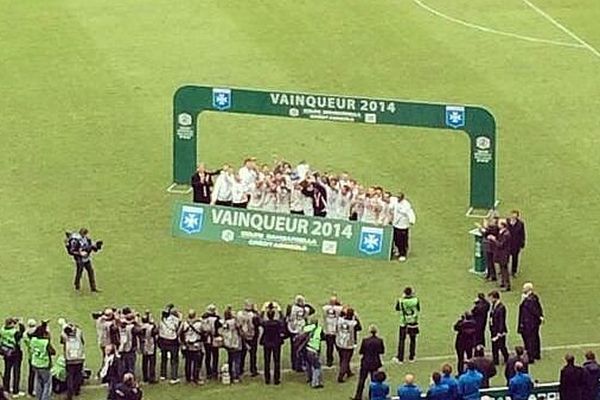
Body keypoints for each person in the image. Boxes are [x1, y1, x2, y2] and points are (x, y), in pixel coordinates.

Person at [351, 324, 384, 400]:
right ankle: (372, 396)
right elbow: (382, 351)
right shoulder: (379, 341)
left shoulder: (365, 341)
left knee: (362, 380)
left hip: (366, 362)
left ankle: (358, 396)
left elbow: (361, 351)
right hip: (375, 362)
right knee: (374, 381)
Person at [68, 228, 102, 292]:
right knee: (79, 273)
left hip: (87, 259)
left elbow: (91, 247)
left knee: (91, 272)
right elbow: (72, 251)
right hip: (80, 260)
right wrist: (80, 253)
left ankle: (93, 288)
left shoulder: (87, 239)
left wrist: (97, 247)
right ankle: (77, 285)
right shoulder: (76, 241)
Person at [518, 282, 544, 363]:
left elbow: (534, 309)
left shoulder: (530, 299)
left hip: (529, 323)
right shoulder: (533, 297)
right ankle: (536, 353)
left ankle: (531, 355)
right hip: (531, 322)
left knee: (530, 339)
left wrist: (524, 300)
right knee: (534, 338)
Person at [286, 295, 313, 372]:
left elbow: (287, 316)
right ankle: (300, 365)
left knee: (294, 348)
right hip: (301, 330)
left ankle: (294, 364)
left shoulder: (291, 308)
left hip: (292, 329)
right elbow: (312, 310)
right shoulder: (305, 309)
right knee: (301, 348)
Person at [393, 287, 420, 364]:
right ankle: (412, 356)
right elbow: (418, 308)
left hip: (403, 322)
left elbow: (397, 308)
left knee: (401, 340)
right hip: (413, 322)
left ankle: (400, 358)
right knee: (413, 339)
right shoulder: (416, 300)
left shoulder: (401, 301)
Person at [30, 322, 55, 400]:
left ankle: (38, 397)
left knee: (38, 382)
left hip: (35, 364)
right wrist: (49, 339)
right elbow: (53, 352)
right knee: (47, 384)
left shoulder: (33, 340)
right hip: (44, 365)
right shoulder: (45, 343)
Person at [336, 307, 362, 383]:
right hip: (348, 344)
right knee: (346, 360)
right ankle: (341, 375)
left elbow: (340, 315)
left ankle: (348, 371)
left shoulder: (340, 320)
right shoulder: (353, 323)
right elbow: (360, 328)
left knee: (342, 358)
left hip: (340, 342)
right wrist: (356, 317)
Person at [0, 317, 25, 397]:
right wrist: (21, 323)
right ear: (11, 324)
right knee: (16, 372)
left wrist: (15, 321)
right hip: (15, 353)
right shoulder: (15, 333)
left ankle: (6, 388)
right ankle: (15, 391)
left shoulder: (2, 329)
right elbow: (22, 333)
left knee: (7, 371)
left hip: (6, 352)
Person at [260, 307, 285, 385]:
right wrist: (280, 310)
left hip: (267, 343)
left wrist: (262, 311)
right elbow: (283, 319)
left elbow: (259, 319)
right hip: (276, 343)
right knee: (277, 361)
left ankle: (267, 380)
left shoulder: (265, 323)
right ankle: (276, 380)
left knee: (267, 361)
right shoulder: (277, 323)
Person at [61, 322, 85, 400]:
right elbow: (82, 340)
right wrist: (74, 326)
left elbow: (62, 339)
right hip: (79, 358)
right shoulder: (78, 333)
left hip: (70, 359)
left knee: (70, 377)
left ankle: (70, 393)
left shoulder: (65, 337)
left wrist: (64, 326)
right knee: (78, 375)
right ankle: (77, 390)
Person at [179, 310, 204, 384]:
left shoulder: (184, 324)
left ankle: (188, 378)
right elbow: (204, 331)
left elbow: (180, 333)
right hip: (196, 345)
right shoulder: (199, 324)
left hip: (187, 345)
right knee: (196, 363)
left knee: (188, 362)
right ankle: (196, 378)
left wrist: (183, 343)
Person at [158, 304, 181, 384]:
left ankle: (163, 375)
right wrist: (179, 316)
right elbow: (177, 326)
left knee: (164, 358)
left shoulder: (162, 320)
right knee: (174, 359)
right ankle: (174, 377)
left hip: (163, 340)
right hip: (172, 341)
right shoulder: (174, 319)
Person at [237, 300, 261, 377]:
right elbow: (258, 323)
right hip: (252, 336)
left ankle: (240, 369)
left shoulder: (239, 314)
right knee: (253, 354)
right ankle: (253, 370)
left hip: (243, 336)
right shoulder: (253, 315)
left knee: (242, 354)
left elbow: (238, 325)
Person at [390, 193, 416, 262]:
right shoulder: (394, 201)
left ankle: (403, 254)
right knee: (396, 239)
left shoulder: (406, 205)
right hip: (395, 224)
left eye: (399, 197)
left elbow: (410, 213)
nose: (398, 199)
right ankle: (398, 250)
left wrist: (412, 221)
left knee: (403, 241)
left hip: (403, 226)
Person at [220, 307, 243, 383]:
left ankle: (230, 375)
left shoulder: (225, 323)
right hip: (235, 342)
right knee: (237, 360)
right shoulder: (234, 322)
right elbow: (240, 328)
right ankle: (236, 376)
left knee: (230, 359)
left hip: (228, 343)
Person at [488, 220, 512, 291]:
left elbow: (500, 244)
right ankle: (503, 283)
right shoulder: (502, 232)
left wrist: (494, 239)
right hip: (501, 254)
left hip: (503, 255)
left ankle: (507, 285)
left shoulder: (506, 234)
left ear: (502, 225)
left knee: (505, 270)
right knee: (502, 269)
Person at [201, 304, 221, 380]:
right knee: (215, 356)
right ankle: (214, 372)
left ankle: (208, 372)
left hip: (206, 340)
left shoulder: (203, 318)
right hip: (214, 339)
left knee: (208, 356)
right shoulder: (216, 319)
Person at [488, 290, 509, 365]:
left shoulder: (501, 307)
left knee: (501, 346)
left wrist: (500, 332)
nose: (490, 300)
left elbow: (501, 321)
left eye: (491, 298)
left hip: (499, 331)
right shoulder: (494, 306)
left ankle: (507, 358)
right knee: (494, 346)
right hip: (493, 329)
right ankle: (495, 360)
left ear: (495, 298)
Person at [323, 296, 343, 368]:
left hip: (328, 331)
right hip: (336, 332)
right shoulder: (338, 309)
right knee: (339, 347)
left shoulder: (325, 308)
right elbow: (343, 309)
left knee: (329, 348)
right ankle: (342, 360)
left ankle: (329, 361)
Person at [117, 310, 138, 378]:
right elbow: (140, 330)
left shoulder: (118, 328)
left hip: (121, 350)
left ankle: (123, 379)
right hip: (129, 350)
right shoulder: (131, 328)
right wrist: (136, 320)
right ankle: (129, 381)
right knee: (130, 368)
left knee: (123, 367)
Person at [138, 312, 158, 384]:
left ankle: (145, 377)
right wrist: (153, 323)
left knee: (144, 362)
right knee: (152, 362)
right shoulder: (151, 327)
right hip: (151, 345)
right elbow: (156, 331)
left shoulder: (140, 327)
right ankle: (152, 378)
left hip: (143, 345)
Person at [507, 210, 526, 277]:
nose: (513, 216)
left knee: (515, 258)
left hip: (516, 244)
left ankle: (513, 271)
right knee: (506, 257)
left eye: (515, 215)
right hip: (508, 243)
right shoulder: (507, 222)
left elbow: (522, 234)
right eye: (512, 214)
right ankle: (504, 269)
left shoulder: (520, 224)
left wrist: (522, 243)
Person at [480, 216, 499, 281]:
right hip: (488, 246)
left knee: (490, 261)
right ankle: (489, 274)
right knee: (488, 261)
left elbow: (485, 233)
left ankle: (493, 276)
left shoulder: (495, 228)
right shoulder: (491, 227)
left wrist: (482, 227)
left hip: (491, 247)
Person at [24, 319, 37, 397]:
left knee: (31, 375)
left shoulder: (26, 337)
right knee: (39, 376)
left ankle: (30, 391)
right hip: (39, 358)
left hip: (31, 357)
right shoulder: (37, 338)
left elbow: (25, 333)